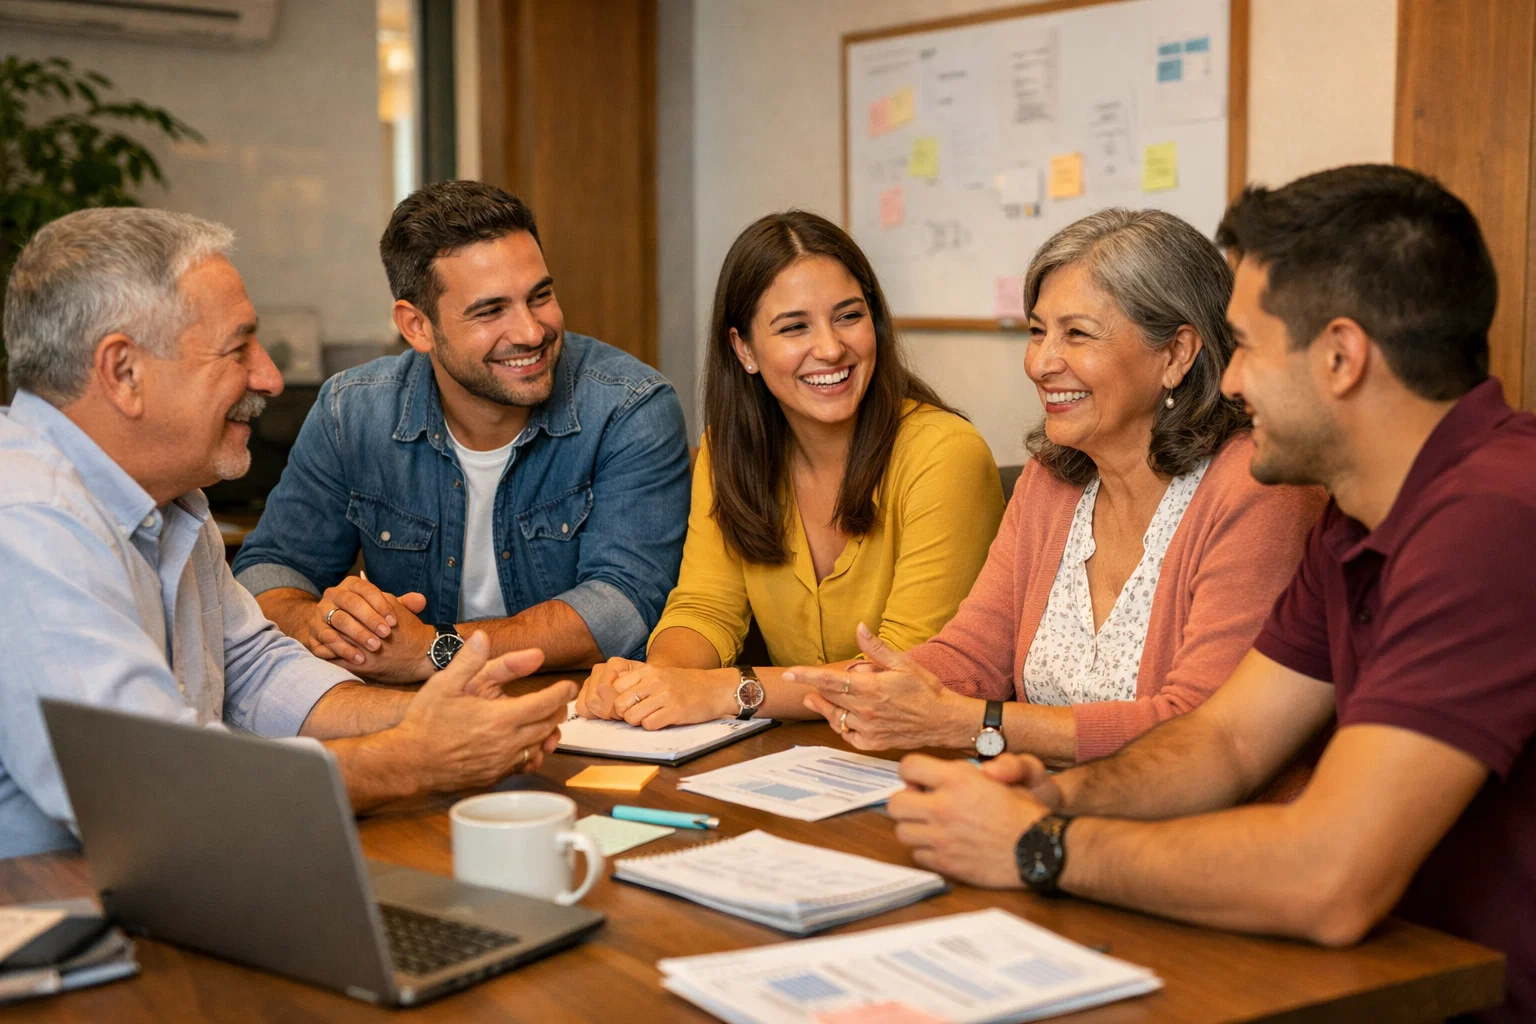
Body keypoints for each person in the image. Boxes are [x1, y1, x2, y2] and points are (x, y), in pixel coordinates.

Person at [885, 166, 1536, 1024]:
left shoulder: (1494, 515)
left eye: (1249, 346)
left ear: (1342, 357)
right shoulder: (1357, 507)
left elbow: (1327, 877)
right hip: (1366, 969)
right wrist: (1052, 797)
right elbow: (1226, 739)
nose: (1227, 382)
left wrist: (1044, 846)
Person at [0, 208, 576, 859]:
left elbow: (252, 671)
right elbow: (153, 799)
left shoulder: (169, 497)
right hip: (56, 922)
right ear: (124, 372)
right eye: (237, 348)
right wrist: (415, 758)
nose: (269, 378)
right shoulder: (26, 520)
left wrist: (433, 713)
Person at [793, 209, 1324, 767]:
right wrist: (889, 683)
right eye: (1038, 331)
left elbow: (1201, 727)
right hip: (1042, 799)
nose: (1041, 363)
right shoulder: (1052, 479)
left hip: (1195, 830)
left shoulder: (1258, 487)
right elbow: (974, 653)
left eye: (1076, 334)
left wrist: (978, 724)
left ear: (1176, 354)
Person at [232, 181, 690, 682]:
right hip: (414, 715)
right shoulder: (353, 411)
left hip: (584, 714)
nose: (531, 332)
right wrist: (322, 623)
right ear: (417, 327)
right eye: (490, 311)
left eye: (540, 296)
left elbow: (623, 604)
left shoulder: (629, 405)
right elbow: (267, 573)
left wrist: (431, 648)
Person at [575, 211, 1003, 728]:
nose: (829, 348)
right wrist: (650, 684)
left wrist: (724, 690)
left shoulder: (945, 454)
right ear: (744, 349)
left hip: (923, 762)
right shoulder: (728, 451)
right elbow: (704, 608)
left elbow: (907, 675)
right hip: (799, 762)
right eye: (794, 327)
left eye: (849, 316)